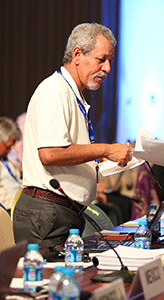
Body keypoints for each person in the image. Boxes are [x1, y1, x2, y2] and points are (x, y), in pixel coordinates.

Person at [13, 23, 132, 251]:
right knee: (49, 286)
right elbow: (50, 153)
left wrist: (103, 161)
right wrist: (105, 150)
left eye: (110, 61)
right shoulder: (55, 92)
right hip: (46, 215)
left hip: (60, 213)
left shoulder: (70, 92)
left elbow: (68, 152)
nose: (107, 68)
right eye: (101, 59)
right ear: (77, 54)